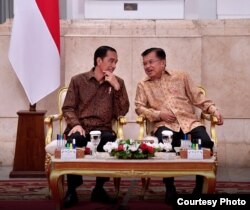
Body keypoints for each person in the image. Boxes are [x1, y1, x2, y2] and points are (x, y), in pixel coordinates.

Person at [135, 47, 223, 204]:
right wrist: (158, 115)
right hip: (164, 124)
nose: (147, 67)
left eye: (151, 62)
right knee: (164, 145)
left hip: (189, 122)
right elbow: (139, 107)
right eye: (144, 64)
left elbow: (198, 98)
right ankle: (170, 188)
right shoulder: (143, 85)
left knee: (206, 143)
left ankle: (198, 187)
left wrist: (214, 110)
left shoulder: (181, 76)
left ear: (162, 62)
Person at [62, 45, 130, 208]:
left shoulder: (117, 82)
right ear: (99, 61)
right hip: (81, 127)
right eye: (111, 61)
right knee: (74, 141)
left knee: (109, 140)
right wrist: (76, 125)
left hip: (103, 129)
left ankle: (99, 189)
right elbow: (68, 107)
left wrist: (117, 88)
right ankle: (72, 190)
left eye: (116, 62)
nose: (114, 65)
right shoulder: (78, 80)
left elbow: (123, 111)